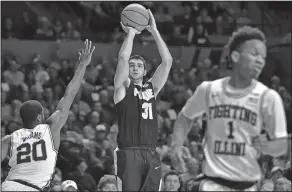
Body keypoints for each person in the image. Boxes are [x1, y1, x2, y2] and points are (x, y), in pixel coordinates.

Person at [170, 26, 288, 191]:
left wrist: (267, 145)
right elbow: (184, 118)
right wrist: (176, 145)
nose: (260, 60)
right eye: (254, 54)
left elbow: (282, 144)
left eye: (263, 56)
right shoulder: (208, 89)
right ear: (235, 56)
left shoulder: (269, 97)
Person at [1, 39, 95, 191]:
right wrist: (82, 65)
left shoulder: (9, 139)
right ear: (39, 117)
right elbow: (69, 95)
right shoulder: (50, 129)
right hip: (33, 187)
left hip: (9, 185)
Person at [113, 9, 172, 191]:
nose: (135, 68)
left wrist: (153, 30)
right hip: (128, 152)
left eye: (139, 65)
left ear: (145, 71)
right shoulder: (122, 88)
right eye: (132, 66)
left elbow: (167, 61)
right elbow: (123, 58)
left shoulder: (151, 89)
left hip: (151, 152)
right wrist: (131, 32)